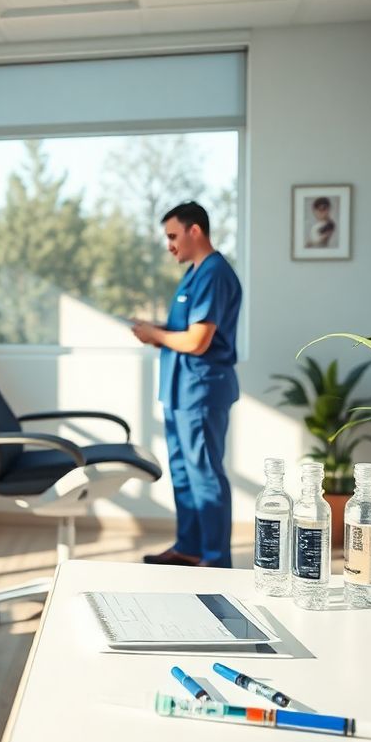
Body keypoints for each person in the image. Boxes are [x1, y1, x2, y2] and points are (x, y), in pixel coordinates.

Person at [132, 201, 242, 568]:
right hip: (180, 391)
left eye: (173, 236)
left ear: (196, 231)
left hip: (201, 392)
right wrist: (157, 331)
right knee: (183, 471)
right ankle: (191, 547)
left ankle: (215, 560)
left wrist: (155, 335)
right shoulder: (194, 273)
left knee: (205, 474)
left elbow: (197, 341)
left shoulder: (214, 273)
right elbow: (183, 331)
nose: (169, 245)